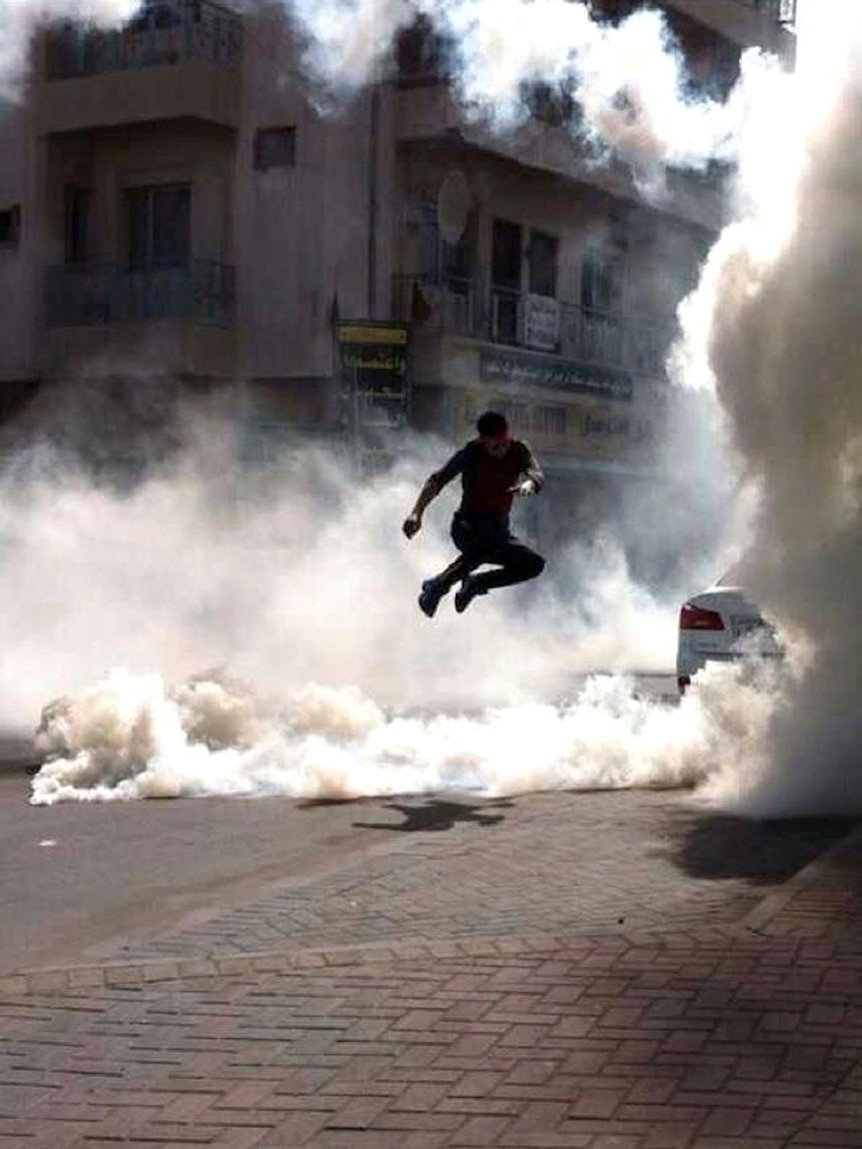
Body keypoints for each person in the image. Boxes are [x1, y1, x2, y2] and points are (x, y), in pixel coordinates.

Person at [403, 410, 546, 617]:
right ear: (483, 441)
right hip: (467, 528)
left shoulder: (519, 450)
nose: (501, 450)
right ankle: (437, 587)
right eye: (495, 446)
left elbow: (537, 473)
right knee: (483, 546)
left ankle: (475, 583)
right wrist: (416, 513)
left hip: (499, 533)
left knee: (533, 564)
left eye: (504, 443)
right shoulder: (471, 453)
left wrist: (530, 483)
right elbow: (437, 481)